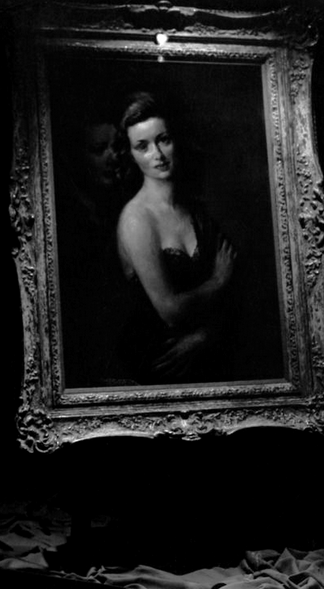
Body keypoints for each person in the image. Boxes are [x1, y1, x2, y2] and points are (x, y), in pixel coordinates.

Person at [115, 91, 237, 384]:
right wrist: (218, 281)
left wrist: (206, 336)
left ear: (175, 140)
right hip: (158, 364)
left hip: (205, 358)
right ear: (131, 154)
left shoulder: (197, 212)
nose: (157, 154)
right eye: (143, 146)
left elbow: (236, 295)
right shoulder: (136, 218)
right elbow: (170, 310)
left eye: (163, 140)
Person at [53, 101, 133, 387]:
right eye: (99, 150)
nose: (113, 158)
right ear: (77, 159)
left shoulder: (120, 207)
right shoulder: (71, 227)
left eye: (117, 147)